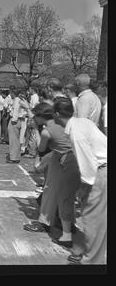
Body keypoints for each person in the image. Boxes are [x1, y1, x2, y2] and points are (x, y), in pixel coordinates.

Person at [53, 97, 107, 264]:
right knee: (98, 219)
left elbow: (89, 167)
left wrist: (81, 190)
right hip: (103, 168)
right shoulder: (83, 122)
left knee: (92, 219)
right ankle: (92, 254)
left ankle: (92, 262)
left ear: (56, 114)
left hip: (100, 172)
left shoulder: (76, 132)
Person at [23, 102, 80, 249]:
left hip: (61, 157)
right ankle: (68, 224)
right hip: (71, 156)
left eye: (36, 116)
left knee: (50, 190)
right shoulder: (59, 122)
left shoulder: (46, 131)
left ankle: (45, 222)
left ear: (42, 117)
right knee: (68, 194)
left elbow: (41, 149)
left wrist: (36, 131)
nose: (34, 118)